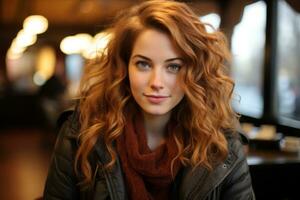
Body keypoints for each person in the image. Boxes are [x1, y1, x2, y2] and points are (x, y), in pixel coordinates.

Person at [43, 0, 255, 199]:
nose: (157, 82)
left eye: (173, 67)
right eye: (143, 64)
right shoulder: (80, 132)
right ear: (124, 68)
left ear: (195, 72)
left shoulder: (223, 146)